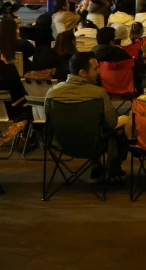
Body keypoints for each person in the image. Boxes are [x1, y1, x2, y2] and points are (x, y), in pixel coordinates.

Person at [47, 52, 129, 182]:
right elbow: (112, 122)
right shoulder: (98, 93)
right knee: (124, 122)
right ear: (82, 73)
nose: (100, 72)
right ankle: (114, 166)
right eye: (96, 69)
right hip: (93, 143)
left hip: (62, 143)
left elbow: (48, 123)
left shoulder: (52, 93)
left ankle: (96, 166)